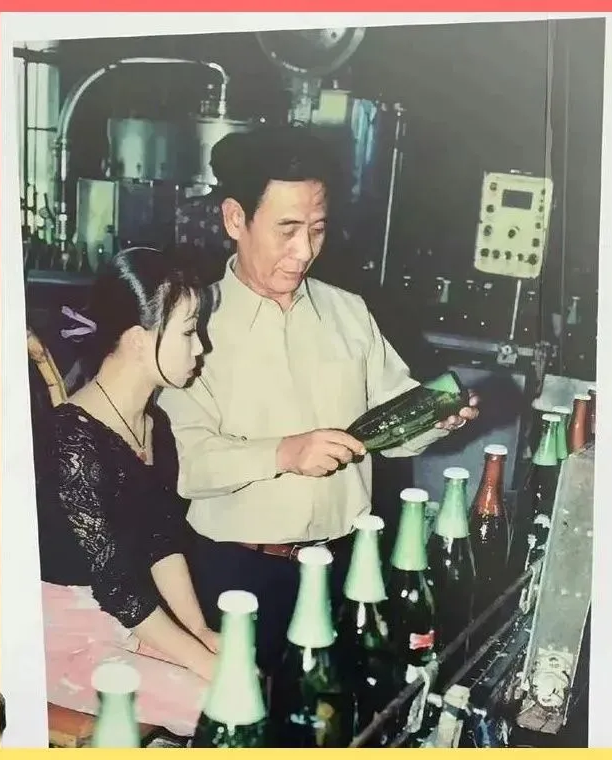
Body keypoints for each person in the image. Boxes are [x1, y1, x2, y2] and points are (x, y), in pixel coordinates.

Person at [157, 127, 479, 675]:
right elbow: (186, 464)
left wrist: (437, 418)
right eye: (287, 229)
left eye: (317, 229)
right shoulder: (191, 322)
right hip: (236, 576)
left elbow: (393, 418)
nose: (304, 251)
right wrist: (284, 452)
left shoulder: (349, 312)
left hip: (346, 567)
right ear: (235, 219)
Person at [34, 247, 218, 737]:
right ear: (138, 340)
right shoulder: (71, 440)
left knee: (239, 676)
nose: (201, 347)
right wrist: (201, 661)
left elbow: (162, 540)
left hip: (125, 625)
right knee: (219, 702)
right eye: (189, 332)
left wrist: (199, 632)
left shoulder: (154, 425)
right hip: (64, 644)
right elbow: (117, 587)